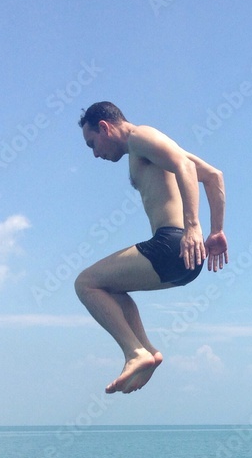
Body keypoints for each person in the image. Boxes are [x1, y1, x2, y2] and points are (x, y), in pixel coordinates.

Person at [74, 101, 228, 394]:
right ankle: (146, 351)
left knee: (86, 284)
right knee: (111, 288)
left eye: (92, 143)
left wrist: (194, 226)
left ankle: (135, 352)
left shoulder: (140, 137)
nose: (95, 154)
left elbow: (184, 166)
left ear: (105, 127)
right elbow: (213, 176)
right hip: (186, 259)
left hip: (173, 243)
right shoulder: (146, 148)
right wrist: (217, 231)